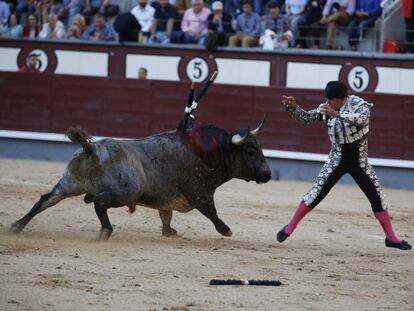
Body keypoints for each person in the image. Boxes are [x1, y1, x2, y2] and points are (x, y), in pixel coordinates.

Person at [277, 81, 412, 251]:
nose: (328, 103)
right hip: (337, 159)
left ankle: (392, 238)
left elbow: (362, 119)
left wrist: (337, 115)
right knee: (315, 194)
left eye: (331, 100)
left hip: (359, 161)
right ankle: (290, 227)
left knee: (377, 198)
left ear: (342, 99)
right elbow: (306, 119)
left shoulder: (359, 105)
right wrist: (294, 108)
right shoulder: (328, 107)